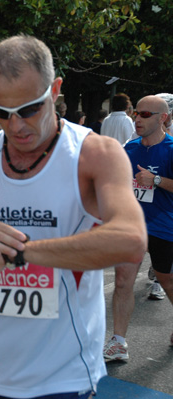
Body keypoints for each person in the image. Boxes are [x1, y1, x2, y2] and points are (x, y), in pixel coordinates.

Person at [0, 35, 146, 399]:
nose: (16, 125)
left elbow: (131, 240)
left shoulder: (94, 153)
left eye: (29, 109)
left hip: (60, 374)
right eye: (1, 113)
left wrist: (18, 251)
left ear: (54, 90)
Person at [104, 95, 173, 361]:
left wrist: (155, 179)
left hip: (163, 227)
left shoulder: (170, 149)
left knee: (165, 280)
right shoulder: (129, 148)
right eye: (136, 113)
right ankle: (118, 342)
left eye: (145, 115)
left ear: (162, 118)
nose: (138, 119)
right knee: (123, 282)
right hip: (130, 228)